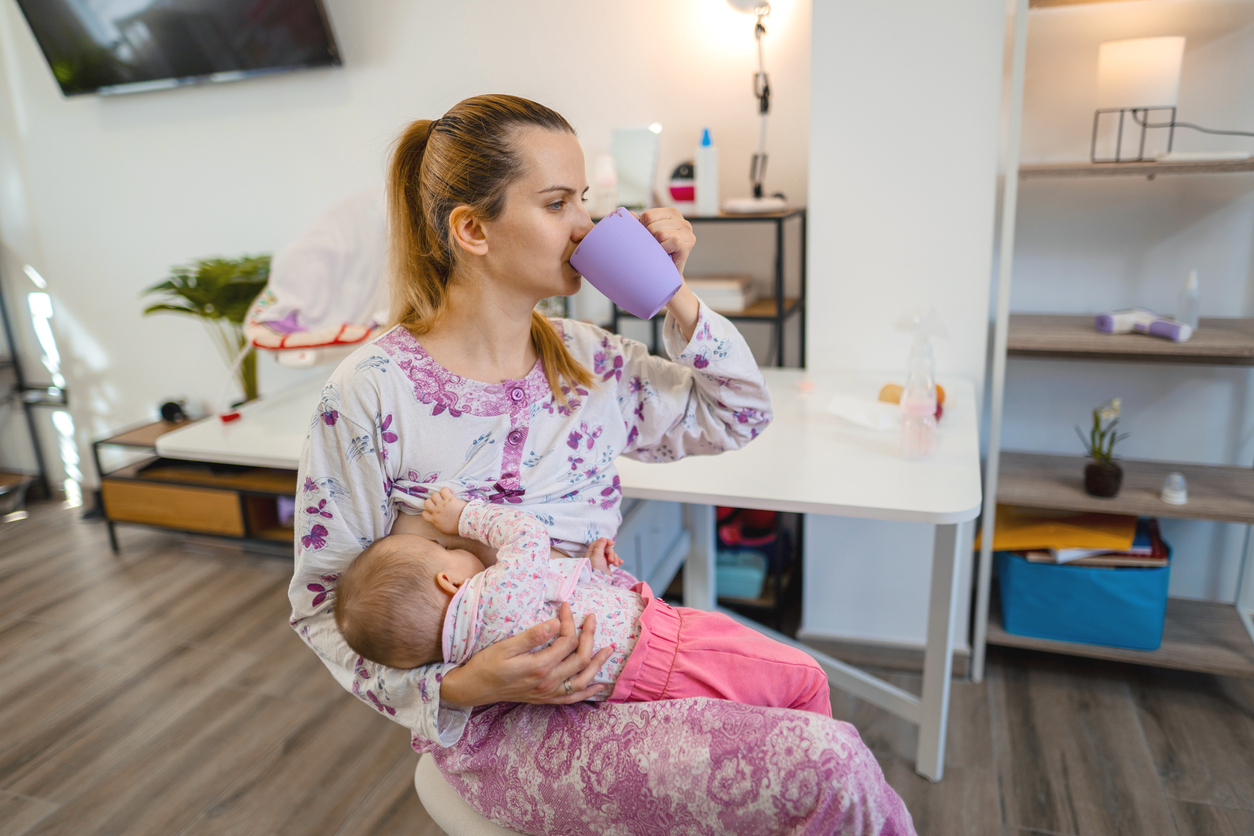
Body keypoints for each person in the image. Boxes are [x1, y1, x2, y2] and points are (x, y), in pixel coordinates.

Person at [289, 93, 915, 834]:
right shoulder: (370, 395)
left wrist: (673, 294)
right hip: (508, 728)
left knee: (800, 697)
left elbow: (737, 413)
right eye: (558, 203)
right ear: (472, 229)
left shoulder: (587, 362)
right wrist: (461, 686)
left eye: (585, 199)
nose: (587, 226)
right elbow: (323, 610)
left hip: (633, 657)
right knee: (831, 767)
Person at [333, 488, 833, 716]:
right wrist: (463, 518)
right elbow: (525, 535)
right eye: (439, 549)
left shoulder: (468, 652)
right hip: (668, 644)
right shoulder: (495, 595)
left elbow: (556, 604)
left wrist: (591, 572)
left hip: (634, 686)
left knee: (758, 708)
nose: (453, 549)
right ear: (446, 579)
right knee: (805, 680)